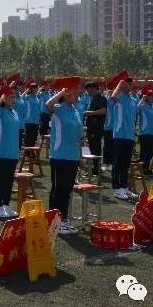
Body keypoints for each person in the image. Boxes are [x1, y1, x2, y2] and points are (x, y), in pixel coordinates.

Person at [45, 76, 84, 235]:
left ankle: (64, 218)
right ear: (66, 94)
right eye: (74, 93)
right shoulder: (58, 109)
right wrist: (61, 92)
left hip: (73, 157)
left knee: (67, 190)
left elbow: (79, 137)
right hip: (59, 155)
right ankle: (54, 220)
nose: (77, 95)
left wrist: (80, 156)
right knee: (58, 190)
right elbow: (47, 105)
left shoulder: (76, 111)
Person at [0, 84, 21, 219]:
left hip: (12, 153)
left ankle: (6, 204)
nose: (13, 99)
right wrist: (1, 99)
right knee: (0, 180)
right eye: (11, 97)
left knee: (9, 180)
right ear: (4, 99)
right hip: (1, 152)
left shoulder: (14, 112)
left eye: (14, 97)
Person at [109, 72, 139, 201]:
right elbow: (112, 97)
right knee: (118, 163)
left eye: (131, 83)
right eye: (127, 83)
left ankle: (125, 187)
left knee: (126, 164)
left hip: (129, 136)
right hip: (119, 135)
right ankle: (117, 189)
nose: (130, 85)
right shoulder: (119, 96)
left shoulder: (133, 99)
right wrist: (119, 85)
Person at [82, 82, 106, 176]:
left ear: (94, 89)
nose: (88, 92)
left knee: (95, 148)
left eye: (89, 89)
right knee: (92, 147)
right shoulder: (93, 99)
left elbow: (103, 111)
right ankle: (95, 168)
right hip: (92, 127)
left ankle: (96, 169)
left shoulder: (101, 98)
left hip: (96, 127)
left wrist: (89, 113)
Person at [137, 87, 153, 176]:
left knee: (149, 153)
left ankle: (145, 169)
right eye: (151, 96)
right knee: (145, 153)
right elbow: (137, 108)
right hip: (145, 133)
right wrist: (143, 98)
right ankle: (144, 169)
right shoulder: (143, 105)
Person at [21, 81, 42, 148]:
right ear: (32, 89)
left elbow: (38, 110)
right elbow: (21, 98)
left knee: (34, 137)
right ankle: (27, 152)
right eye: (35, 88)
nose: (37, 90)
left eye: (37, 88)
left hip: (36, 121)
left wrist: (39, 119)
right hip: (29, 120)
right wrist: (27, 91)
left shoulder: (36, 98)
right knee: (28, 137)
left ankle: (31, 152)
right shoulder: (27, 97)